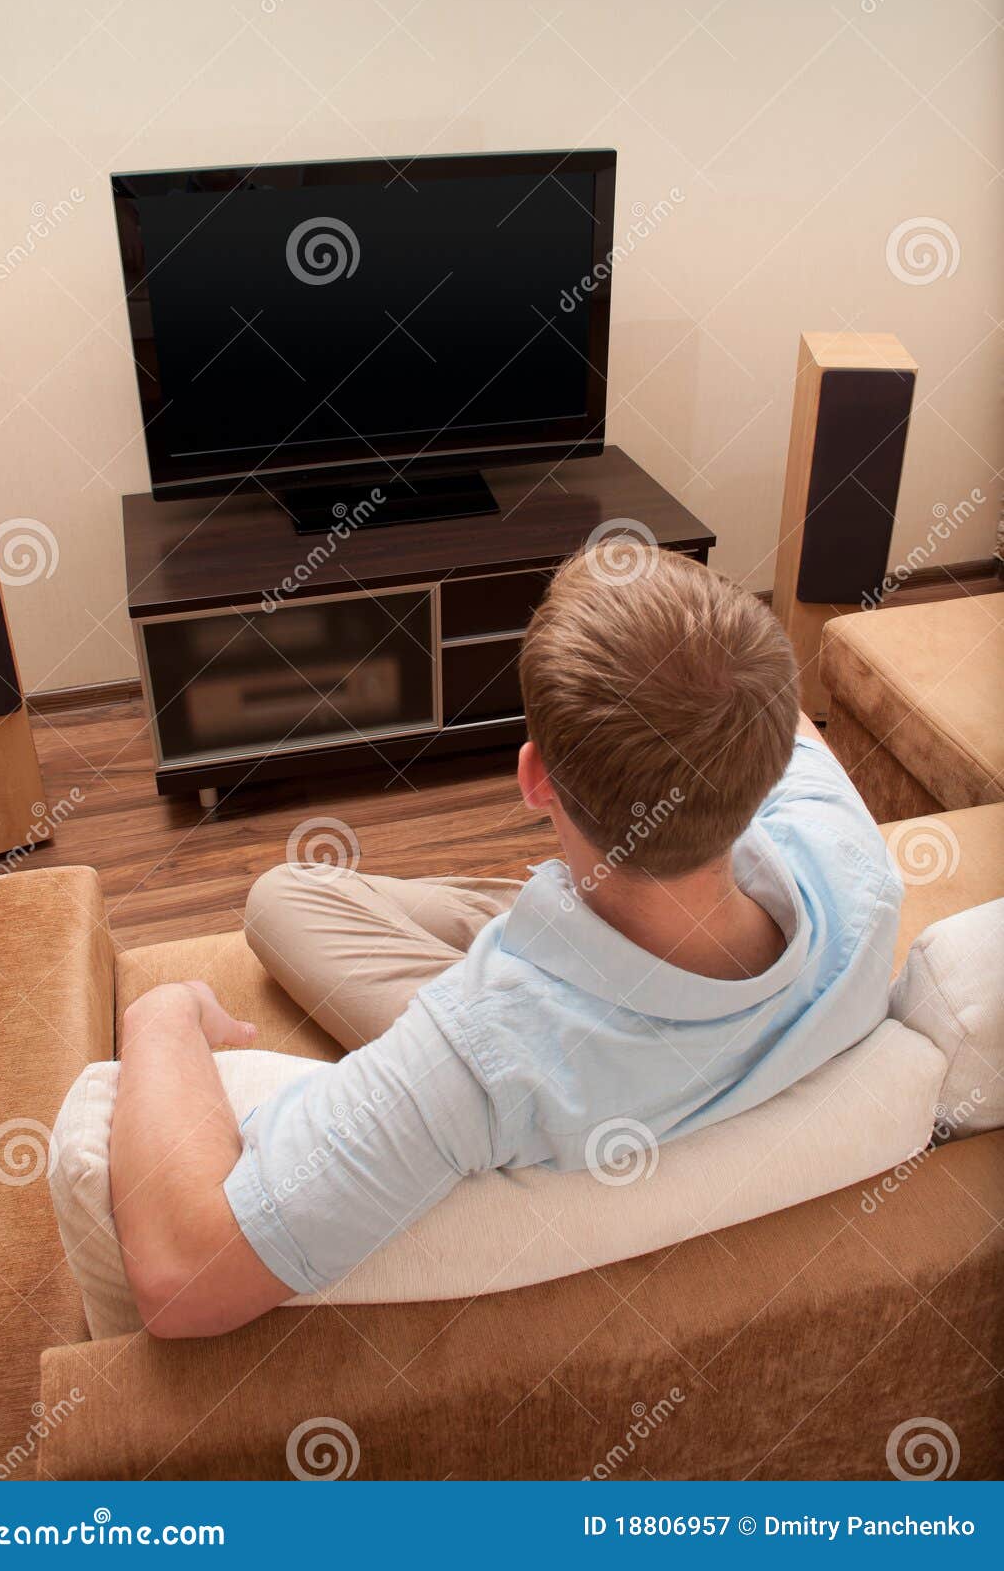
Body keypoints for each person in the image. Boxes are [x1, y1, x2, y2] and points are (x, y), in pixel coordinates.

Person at [110, 547, 901, 1337]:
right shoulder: (852, 866)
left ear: (533, 781)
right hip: (661, 948)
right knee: (292, 895)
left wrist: (164, 1014)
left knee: (284, 896)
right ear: (762, 771)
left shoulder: (475, 1063)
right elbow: (775, 716)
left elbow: (184, 1281)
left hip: (563, 1036)